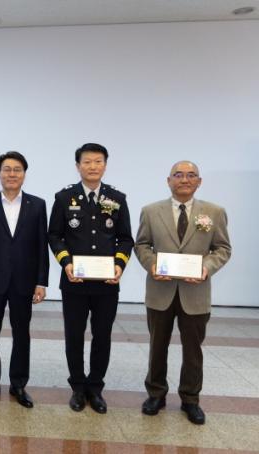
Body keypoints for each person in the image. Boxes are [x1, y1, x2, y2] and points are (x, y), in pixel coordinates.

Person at [134, 161, 231, 425]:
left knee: (193, 350)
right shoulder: (150, 211)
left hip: (195, 293)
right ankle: (156, 394)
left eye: (191, 175)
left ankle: (190, 399)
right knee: (157, 347)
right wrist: (152, 265)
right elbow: (142, 244)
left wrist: (205, 268)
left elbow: (222, 249)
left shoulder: (214, 212)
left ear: (199, 182)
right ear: (169, 180)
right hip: (160, 291)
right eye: (178, 175)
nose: (184, 180)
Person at [48, 143, 133, 414]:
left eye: (98, 161)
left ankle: (95, 388)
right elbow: (55, 235)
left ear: (105, 165)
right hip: (74, 283)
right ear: (78, 166)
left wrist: (119, 265)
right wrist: (66, 262)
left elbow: (125, 238)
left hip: (107, 284)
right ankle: (77, 387)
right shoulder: (64, 198)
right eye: (87, 162)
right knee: (74, 335)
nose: (92, 166)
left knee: (102, 336)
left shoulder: (117, 198)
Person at [0, 151, 49, 408]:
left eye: (17, 169)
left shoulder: (37, 205)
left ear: (24, 174)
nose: (12, 174)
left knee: (21, 334)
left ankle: (18, 384)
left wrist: (41, 282)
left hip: (24, 281)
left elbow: (41, 246)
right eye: (7, 169)